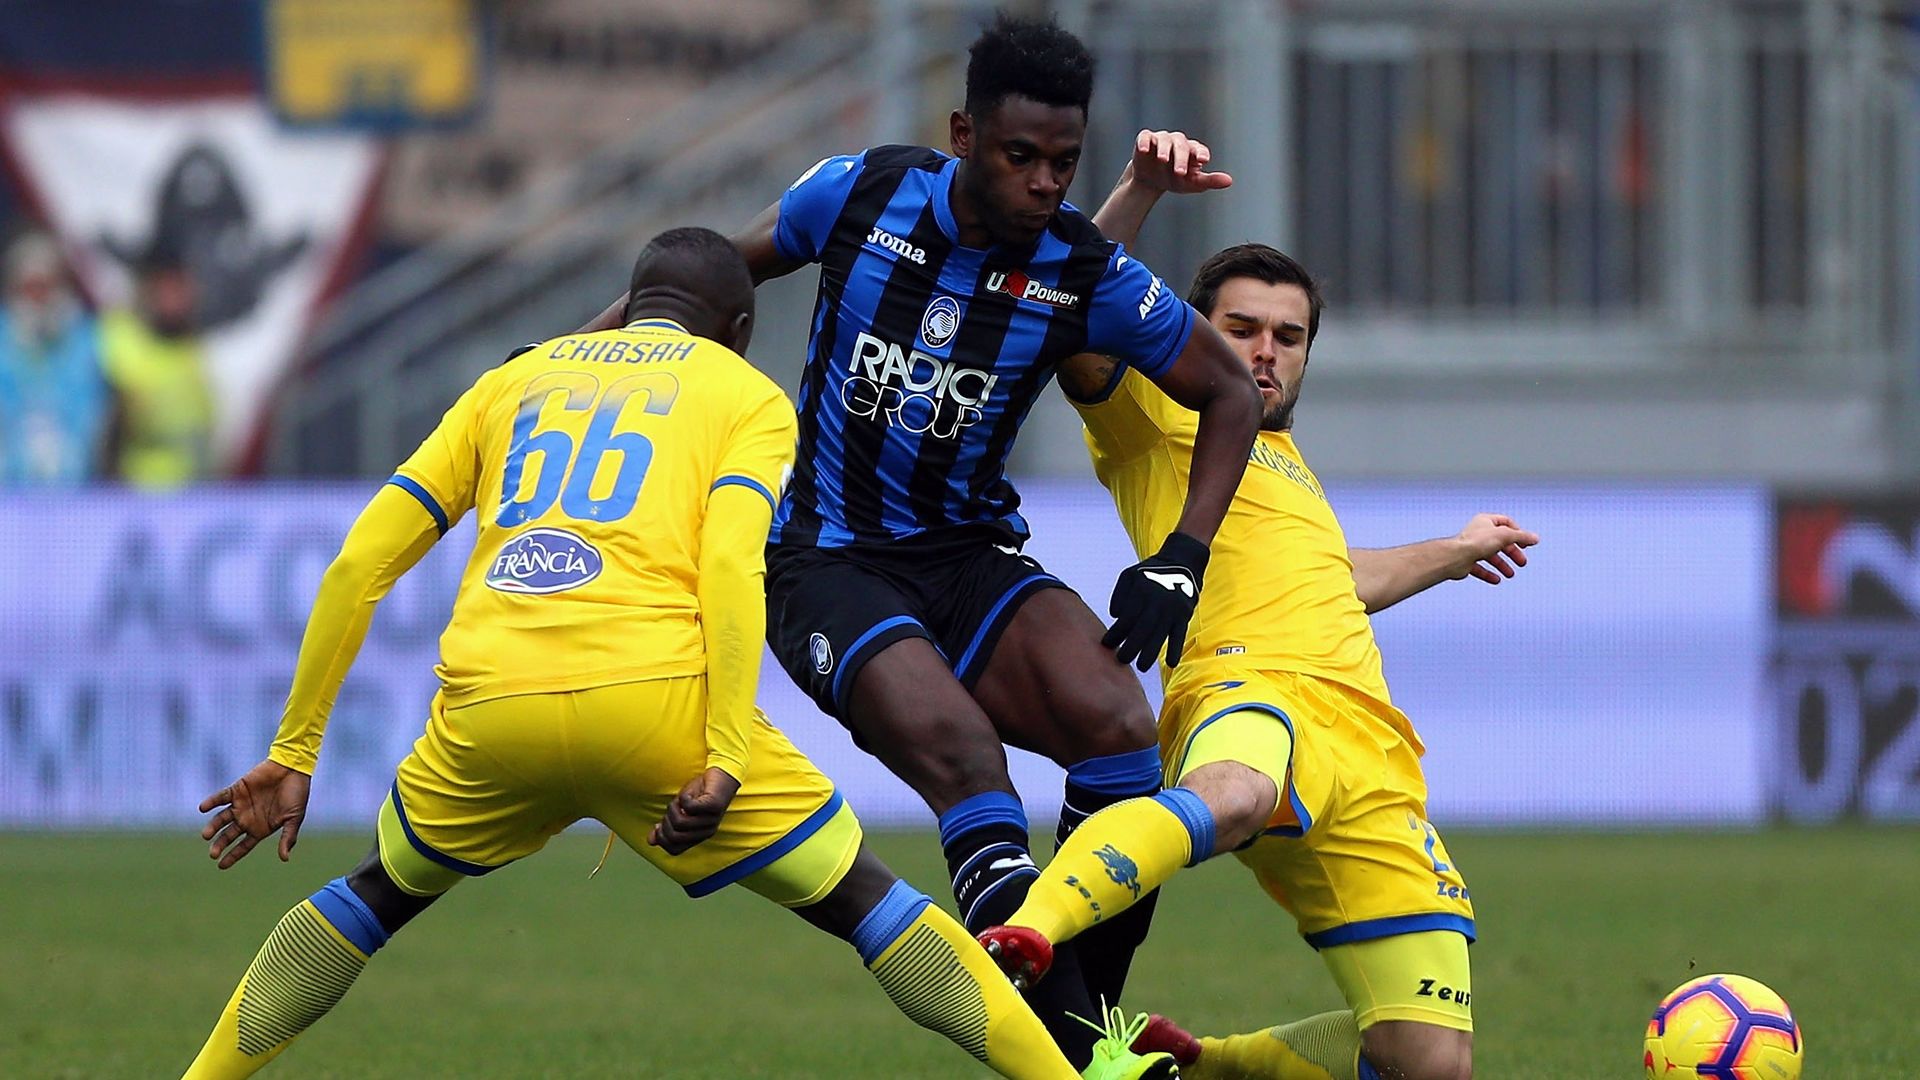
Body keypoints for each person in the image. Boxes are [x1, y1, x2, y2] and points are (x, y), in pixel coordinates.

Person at [180, 228, 1115, 1080]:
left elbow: (358, 564)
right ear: (739, 330)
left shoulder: (514, 382)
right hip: (654, 708)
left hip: (491, 706)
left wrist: (295, 749)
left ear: (629, 305)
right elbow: (730, 566)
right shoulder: (745, 396)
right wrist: (726, 754)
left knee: (376, 894)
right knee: (869, 904)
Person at [578, 15, 1261, 1068]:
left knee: (1122, 729)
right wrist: (573, 364)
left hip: (969, 555)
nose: (1045, 183)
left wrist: (1184, 555)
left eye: (1065, 162)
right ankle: (1087, 1056)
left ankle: (1081, 1044)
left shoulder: (1082, 270)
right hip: (825, 560)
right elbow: (703, 284)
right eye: (1021, 156)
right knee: (965, 758)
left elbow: (1228, 392)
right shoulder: (859, 194)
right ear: (963, 134)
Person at [978, 135, 1541, 1080]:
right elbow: (1066, 313)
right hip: (1248, 692)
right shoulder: (1160, 415)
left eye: (1289, 336)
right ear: (1196, 332)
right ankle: (1028, 932)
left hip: (1369, 746)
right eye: (1242, 329)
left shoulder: (1289, 466)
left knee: (1430, 1062)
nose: (1266, 352)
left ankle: (1196, 1063)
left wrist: (1454, 551)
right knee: (1236, 792)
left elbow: (1337, 579)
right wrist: (1139, 189)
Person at [100, 247, 216, 488]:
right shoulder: (121, 338)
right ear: (148, 290)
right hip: (133, 489)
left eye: (179, 288)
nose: (174, 299)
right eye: (166, 288)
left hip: (193, 489)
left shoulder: (197, 350)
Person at [0, 232, 107, 485]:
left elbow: (90, 405)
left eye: (45, 287)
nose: (38, 297)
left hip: (72, 478)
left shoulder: (84, 337)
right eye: (31, 287)